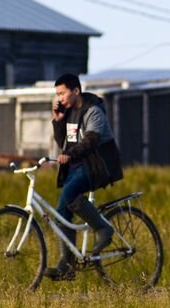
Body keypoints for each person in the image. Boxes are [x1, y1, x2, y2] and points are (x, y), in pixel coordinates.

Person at [47, 73, 124, 280]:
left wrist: (69, 155)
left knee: (68, 195)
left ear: (76, 91)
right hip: (78, 166)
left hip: (97, 166)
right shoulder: (69, 113)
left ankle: (104, 229)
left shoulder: (93, 111)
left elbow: (90, 140)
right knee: (61, 211)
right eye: (57, 94)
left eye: (62, 93)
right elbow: (66, 143)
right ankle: (67, 265)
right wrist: (58, 122)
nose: (59, 98)